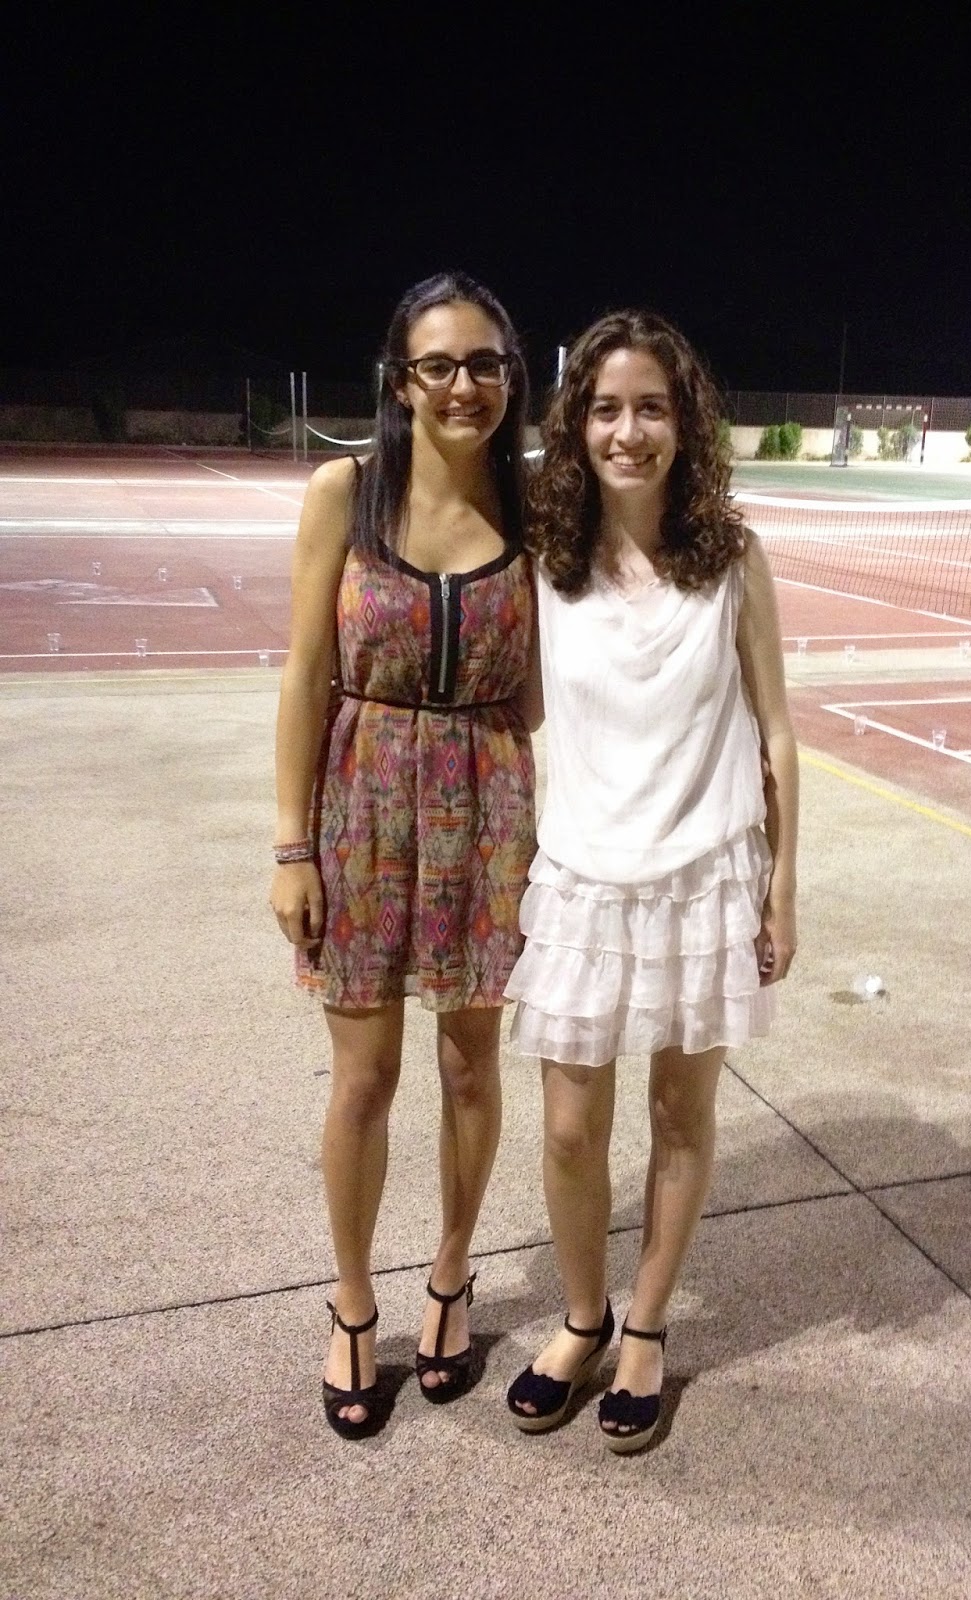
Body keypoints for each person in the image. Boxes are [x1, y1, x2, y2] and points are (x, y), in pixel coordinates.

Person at [504, 310, 798, 1453]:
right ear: (576, 425)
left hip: (705, 872)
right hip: (583, 875)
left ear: (687, 422)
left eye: (652, 408)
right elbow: (520, 711)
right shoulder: (546, 559)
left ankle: (647, 1325)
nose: (629, 432)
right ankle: (583, 1315)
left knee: (681, 1112)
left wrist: (782, 886)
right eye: (607, 409)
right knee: (571, 1126)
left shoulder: (732, 558)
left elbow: (777, 730)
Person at [270, 272, 538, 1438]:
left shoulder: (534, 509)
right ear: (400, 380)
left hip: (490, 803)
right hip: (363, 801)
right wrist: (293, 846)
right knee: (365, 1076)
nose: (464, 384)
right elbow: (302, 675)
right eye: (440, 364)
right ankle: (351, 1301)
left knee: (473, 1067)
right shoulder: (347, 493)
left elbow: (546, 690)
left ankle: (451, 1274)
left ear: (510, 378)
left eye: (485, 362)